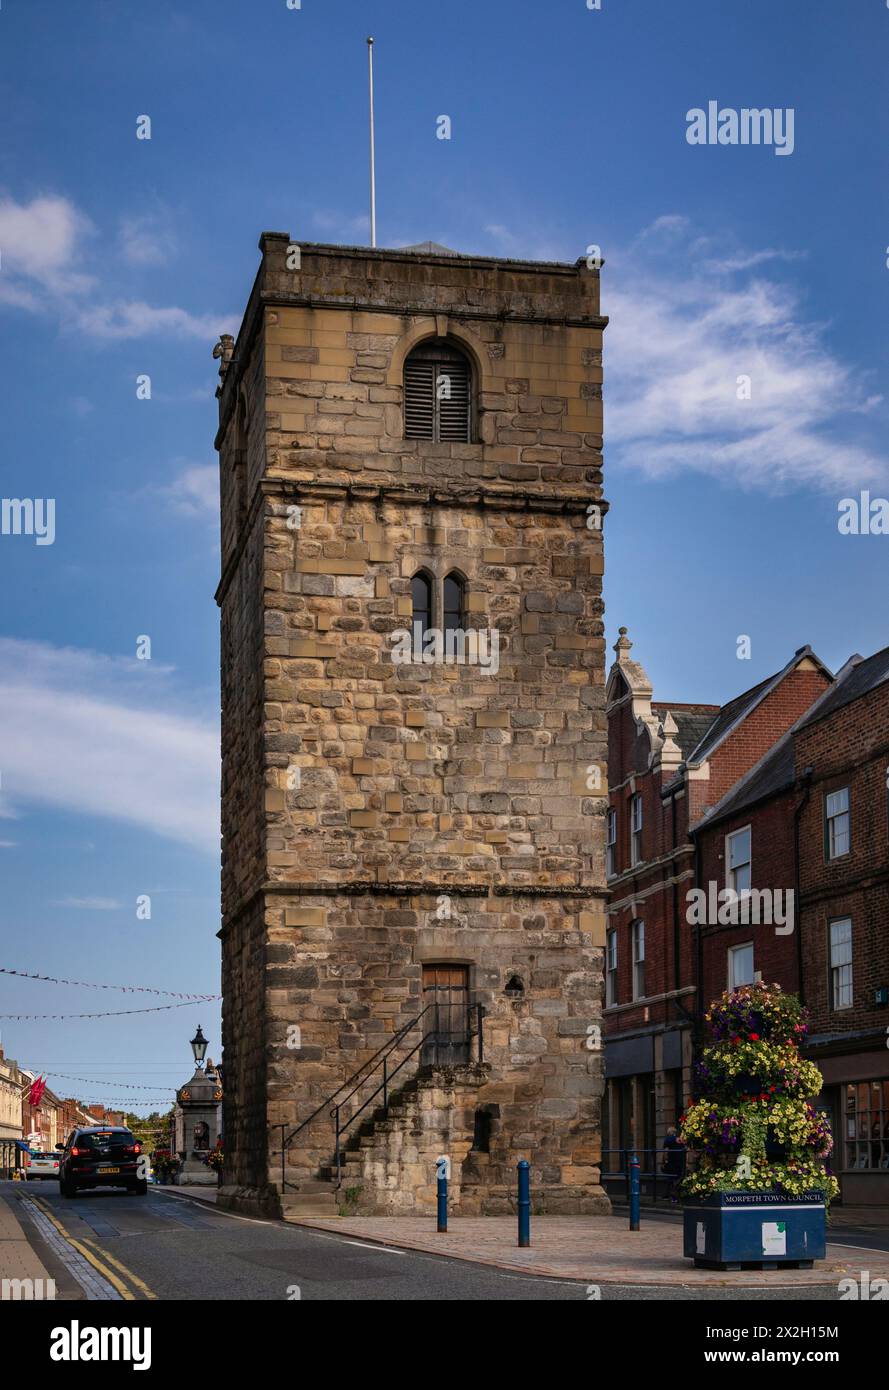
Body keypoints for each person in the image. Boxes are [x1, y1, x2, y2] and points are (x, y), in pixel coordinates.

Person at [661, 1126, 686, 1198]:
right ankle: (672, 1195)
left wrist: (664, 1161)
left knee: (670, 1177)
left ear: (669, 1133)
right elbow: (685, 1150)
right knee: (678, 1177)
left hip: (672, 1161)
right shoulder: (680, 1139)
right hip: (681, 1161)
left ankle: (670, 1194)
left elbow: (665, 1152)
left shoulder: (667, 1140)